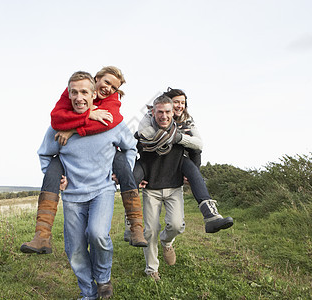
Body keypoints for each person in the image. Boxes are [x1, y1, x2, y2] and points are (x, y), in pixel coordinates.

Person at [20, 66, 147, 255]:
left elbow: (111, 123)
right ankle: (42, 235)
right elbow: (57, 118)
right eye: (106, 82)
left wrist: (72, 129)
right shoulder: (76, 94)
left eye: (113, 87)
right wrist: (87, 114)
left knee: (122, 163)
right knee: (53, 168)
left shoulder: (111, 105)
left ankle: (136, 227)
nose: (108, 89)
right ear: (96, 80)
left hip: (108, 158)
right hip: (73, 174)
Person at [37, 71, 137, 299]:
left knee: (98, 234)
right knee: (75, 250)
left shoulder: (110, 121)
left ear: (93, 95)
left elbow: (130, 148)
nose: (79, 97)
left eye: (84, 92)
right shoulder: (58, 126)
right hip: (72, 195)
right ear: (68, 94)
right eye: (74, 92)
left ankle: (103, 279)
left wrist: (122, 172)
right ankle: (88, 294)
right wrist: (56, 178)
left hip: (102, 190)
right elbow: (45, 154)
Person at [135, 88, 233, 234]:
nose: (180, 106)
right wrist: (168, 134)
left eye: (183, 103)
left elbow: (198, 144)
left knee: (193, 166)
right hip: (152, 164)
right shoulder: (151, 116)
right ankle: (132, 224)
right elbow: (143, 133)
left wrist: (180, 138)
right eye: (176, 102)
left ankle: (211, 216)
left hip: (178, 161)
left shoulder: (187, 119)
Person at [134, 94, 190, 281]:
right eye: (160, 112)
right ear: (153, 112)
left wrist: (191, 172)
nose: (164, 116)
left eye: (168, 112)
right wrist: (136, 175)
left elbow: (196, 151)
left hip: (174, 186)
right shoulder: (143, 133)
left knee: (176, 225)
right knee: (150, 230)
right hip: (151, 188)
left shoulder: (181, 132)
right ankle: (152, 269)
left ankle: (167, 241)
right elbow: (130, 153)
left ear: (173, 112)